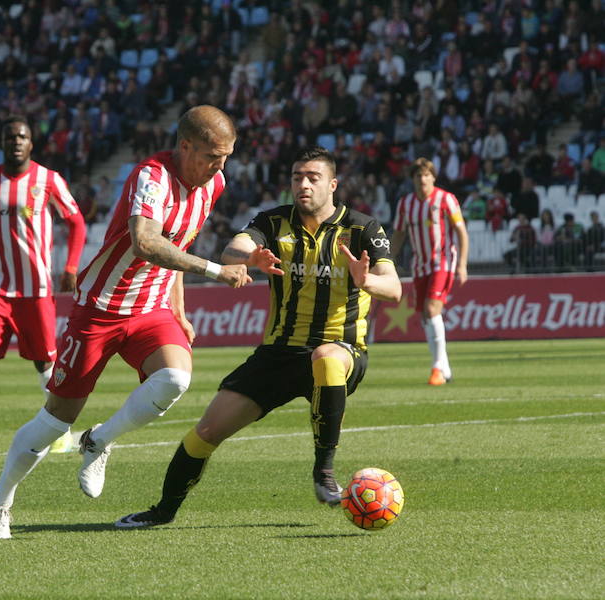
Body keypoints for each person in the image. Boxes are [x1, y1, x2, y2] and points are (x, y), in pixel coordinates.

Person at [0, 105, 270, 540]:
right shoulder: (150, 177)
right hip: (99, 307)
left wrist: (180, 311)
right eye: (213, 156)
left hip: (150, 308)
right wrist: (214, 271)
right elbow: (147, 243)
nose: (221, 166)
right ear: (186, 146)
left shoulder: (215, 183)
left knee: (175, 377)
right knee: (56, 420)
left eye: (226, 156)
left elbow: (177, 247)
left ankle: (99, 440)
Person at [115, 146, 402, 528]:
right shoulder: (273, 221)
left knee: (326, 358)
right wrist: (248, 257)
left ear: (332, 185)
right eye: (298, 176)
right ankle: (163, 511)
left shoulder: (363, 229)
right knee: (205, 432)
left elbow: (394, 288)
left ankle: (324, 471)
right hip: (277, 354)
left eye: (313, 178)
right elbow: (235, 246)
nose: (303, 184)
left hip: (343, 349)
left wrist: (367, 281)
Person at [0, 115, 87, 457]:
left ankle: (59, 430)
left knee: (45, 364)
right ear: (2, 142)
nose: (16, 142)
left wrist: (71, 266)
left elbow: (77, 222)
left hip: (37, 289)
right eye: (10, 137)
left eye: (22, 137)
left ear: (31, 143)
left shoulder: (48, 180)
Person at [390, 158, 469, 386]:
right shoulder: (406, 204)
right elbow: (398, 235)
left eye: (426, 175)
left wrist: (462, 264)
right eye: (418, 176)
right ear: (413, 179)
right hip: (419, 265)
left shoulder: (446, 199)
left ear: (433, 177)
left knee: (431, 308)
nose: (422, 179)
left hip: (442, 261)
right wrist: (387, 260)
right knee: (425, 315)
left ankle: (437, 368)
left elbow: (462, 232)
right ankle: (444, 366)